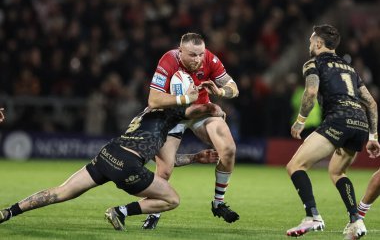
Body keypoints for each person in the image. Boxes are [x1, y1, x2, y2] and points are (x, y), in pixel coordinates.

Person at [0, 94, 226, 230]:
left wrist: (195, 158)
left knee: (62, 191)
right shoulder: (168, 113)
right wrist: (217, 109)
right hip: (127, 164)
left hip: (109, 154)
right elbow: (204, 108)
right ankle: (120, 212)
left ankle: (9, 212)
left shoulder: (144, 118)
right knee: (172, 200)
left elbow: (169, 160)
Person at [285, 24, 379, 240]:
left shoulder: (313, 62)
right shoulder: (351, 69)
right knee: (337, 172)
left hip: (338, 119)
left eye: (311, 41)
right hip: (360, 125)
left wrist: (300, 121)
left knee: (295, 166)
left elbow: (310, 91)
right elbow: (371, 104)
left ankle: (312, 217)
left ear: (318, 43)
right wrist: (373, 137)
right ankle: (356, 221)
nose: (310, 44)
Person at [143, 32, 240, 229]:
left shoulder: (210, 59)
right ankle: (153, 213)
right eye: (192, 55)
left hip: (201, 111)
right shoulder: (168, 60)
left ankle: (218, 203)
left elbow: (234, 88)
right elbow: (153, 100)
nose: (198, 59)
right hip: (173, 115)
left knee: (228, 149)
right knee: (165, 169)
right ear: (180, 52)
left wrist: (220, 92)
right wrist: (183, 100)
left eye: (200, 54)